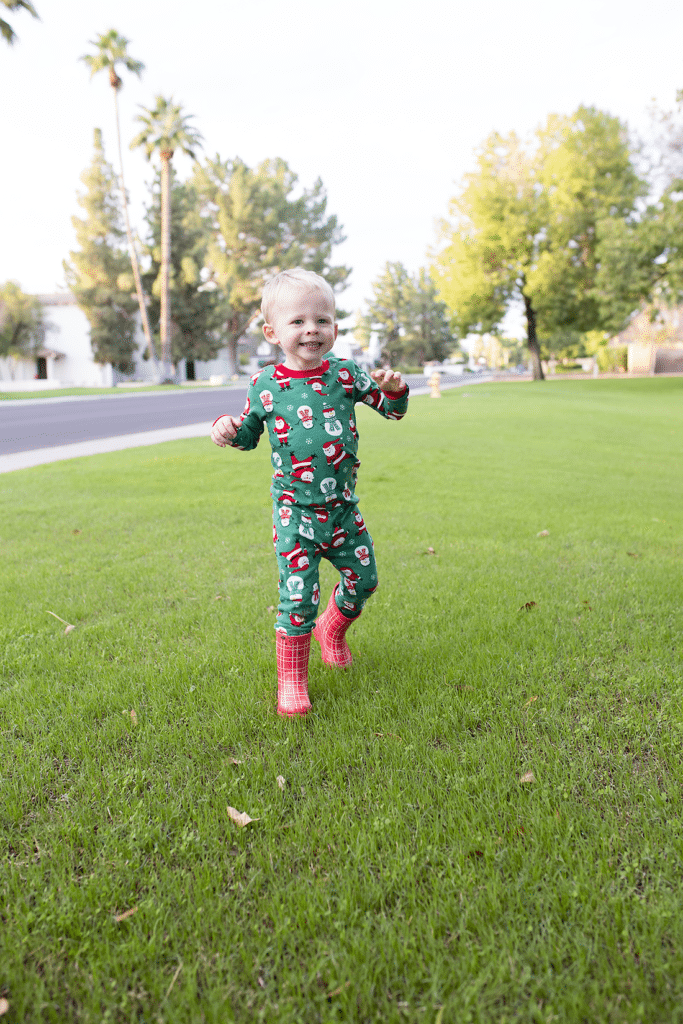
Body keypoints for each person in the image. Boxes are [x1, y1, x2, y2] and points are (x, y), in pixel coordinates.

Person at [210, 268, 409, 716]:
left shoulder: (346, 374)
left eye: (322, 320)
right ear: (272, 332)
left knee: (365, 581)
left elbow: (390, 410)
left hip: (342, 511)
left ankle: (331, 631)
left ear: (335, 328)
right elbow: (247, 435)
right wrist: (226, 430)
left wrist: (395, 392)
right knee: (298, 598)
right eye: (298, 321)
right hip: (294, 514)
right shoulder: (265, 385)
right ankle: (292, 681)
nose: (311, 330)